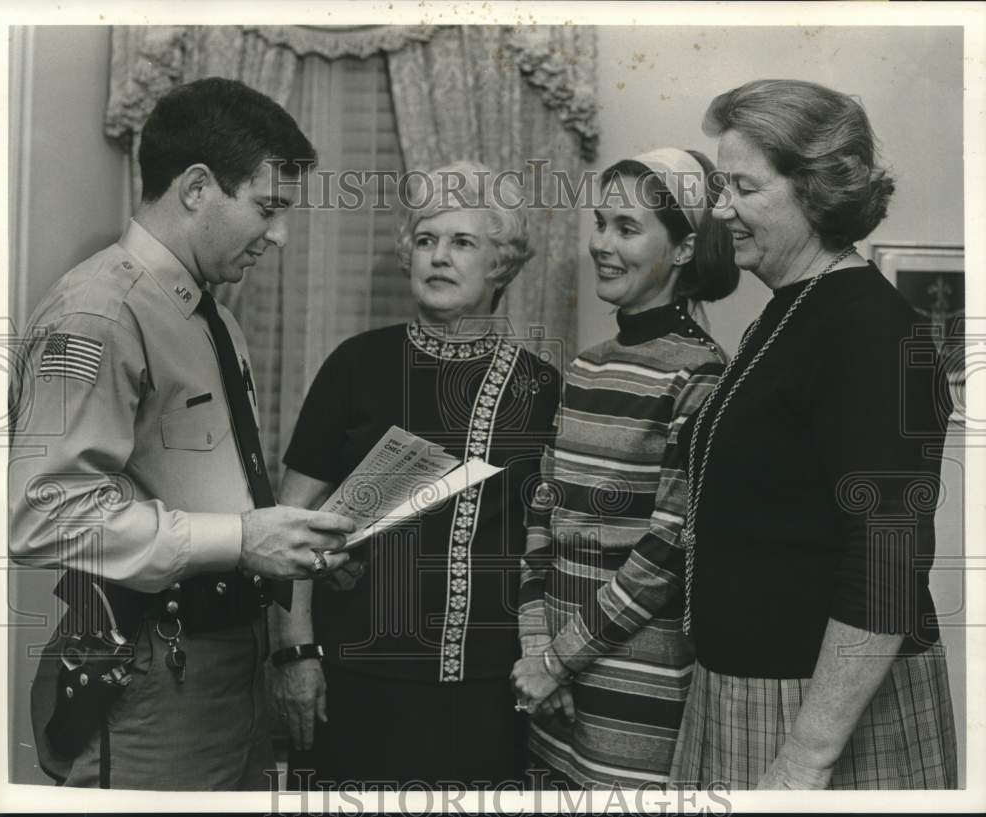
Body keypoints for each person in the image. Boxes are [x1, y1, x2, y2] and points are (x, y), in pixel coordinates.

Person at [8, 77, 356, 790]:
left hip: (231, 663)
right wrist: (242, 539)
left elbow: (199, 485)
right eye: (268, 209)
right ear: (197, 187)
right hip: (151, 672)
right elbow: (41, 514)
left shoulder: (211, 316)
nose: (281, 236)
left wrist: (282, 542)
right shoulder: (100, 313)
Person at [669, 79, 958, 790]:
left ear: (817, 189)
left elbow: (885, 562)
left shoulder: (872, 330)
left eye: (742, 186)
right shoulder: (787, 310)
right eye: (718, 185)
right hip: (750, 690)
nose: (720, 209)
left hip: (816, 715)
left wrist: (806, 755)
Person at [272, 162, 561, 787]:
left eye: (463, 242)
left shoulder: (541, 387)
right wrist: (296, 654)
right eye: (426, 240)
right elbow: (288, 523)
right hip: (354, 675)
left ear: (502, 264)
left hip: (487, 685)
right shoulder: (356, 364)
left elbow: (551, 544)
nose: (438, 257)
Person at [510, 148, 738, 787]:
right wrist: (538, 651)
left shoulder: (702, 375)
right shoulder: (585, 366)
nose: (602, 244)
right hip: (551, 688)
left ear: (686, 249)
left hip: (637, 695)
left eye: (628, 229)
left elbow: (667, 548)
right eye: (601, 223)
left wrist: (558, 659)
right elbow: (542, 521)